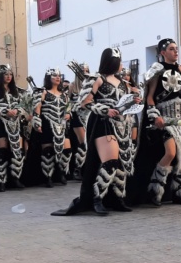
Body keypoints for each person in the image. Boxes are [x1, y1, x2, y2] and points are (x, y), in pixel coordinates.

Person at [53, 47, 131, 215]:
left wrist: (133, 101)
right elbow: (84, 102)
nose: (121, 64)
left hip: (121, 124)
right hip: (102, 122)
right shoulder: (96, 78)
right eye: (119, 61)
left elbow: (123, 101)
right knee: (109, 161)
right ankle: (97, 198)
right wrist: (104, 110)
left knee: (120, 163)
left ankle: (116, 198)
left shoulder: (123, 82)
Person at [128, 38, 181, 207]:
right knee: (170, 153)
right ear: (163, 52)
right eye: (171, 49)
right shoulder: (157, 70)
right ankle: (155, 188)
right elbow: (149, 96)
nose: (175, 51)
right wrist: (155, 115)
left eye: (176, 48)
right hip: (164, 118)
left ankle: (179, 190)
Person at [30, 68, 72, 187]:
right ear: (49, 78)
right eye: (54, 76)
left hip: (62, 124)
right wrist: (37, 122)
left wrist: (68, 113)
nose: (58, 77)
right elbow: (37, 107)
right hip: (48, 122)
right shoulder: (43, 92)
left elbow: (68, 107)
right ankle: (48, 176)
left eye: (59, 76)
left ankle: (62, 172)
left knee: (67, 149)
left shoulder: (64, 94)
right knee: (48, 150)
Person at [68, 62, 91, 179]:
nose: (85, 73)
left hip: (89, 116)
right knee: (83, 142)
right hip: (77, 116)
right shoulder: (72, 86)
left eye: (87, 70)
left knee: (88, 142)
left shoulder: (92, 85)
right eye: (83, 71)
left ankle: (86, 167)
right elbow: (66, 102)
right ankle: (79, 168)